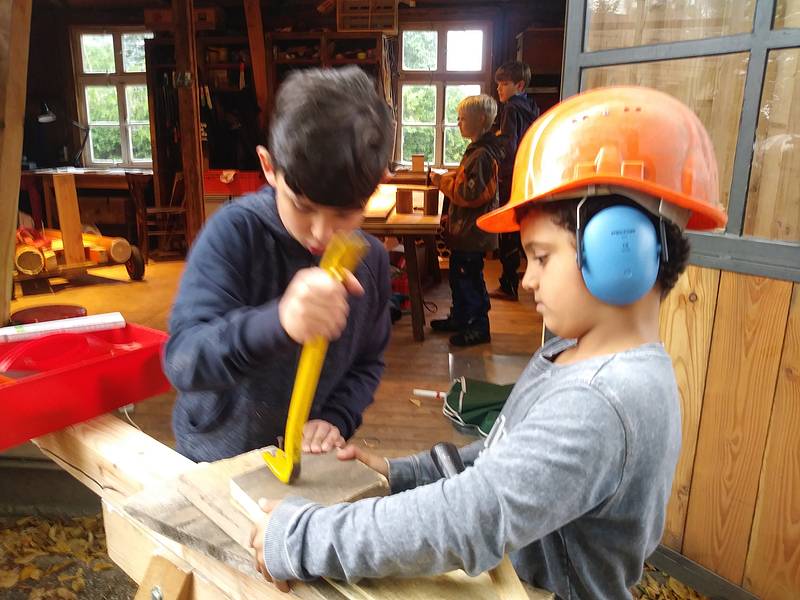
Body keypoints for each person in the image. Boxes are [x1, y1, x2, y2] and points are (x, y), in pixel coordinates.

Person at [249, 86, 728, 599]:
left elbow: (470, 519)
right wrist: (401, 473)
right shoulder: (572, 354)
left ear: (618, 251)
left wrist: (303, 537)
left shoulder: (603, 401)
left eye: (541, 257)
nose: (526, 281)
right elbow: (504, 454)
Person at [163, 66, 394, 462]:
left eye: (345, 214)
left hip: (301, 465)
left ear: (376, 186)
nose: (323, 234)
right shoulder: (235, 233)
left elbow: (367, 363)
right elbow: (183, 360)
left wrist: (335, 417)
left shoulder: (370, 261)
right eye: (303, 207)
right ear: (269, 167)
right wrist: (279, 322)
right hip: (214, 459)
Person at [429, 94, 502, 346]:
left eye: (462, 119)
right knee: (459, 278)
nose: (458, 123)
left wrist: (442, 182)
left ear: (480, 120)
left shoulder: (482, 154)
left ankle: (478, 326)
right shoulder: (477, 151)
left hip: (473, 234)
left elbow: (469, 193)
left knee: (469, 280)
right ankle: (460, 318)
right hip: (467, 233)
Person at [491, 61, 539, 301]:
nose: (499, 88)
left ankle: (508, 285)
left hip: (510, 177)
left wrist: (493, 145)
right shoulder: (531, 106)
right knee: (525, 228)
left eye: (504, 84)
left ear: (519, 85)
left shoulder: (511, 108)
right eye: (498, 84)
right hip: (528, 176)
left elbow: (508, 148)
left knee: (507, 231)